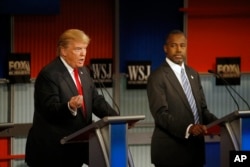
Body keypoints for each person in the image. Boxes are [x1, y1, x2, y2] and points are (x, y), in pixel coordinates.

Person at [25, 29, 118, 167]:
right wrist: (70, 106)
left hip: (76, 150)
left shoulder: (83, 71)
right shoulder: (49, 74)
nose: (83, 53)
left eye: (85, 48)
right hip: (53, 153)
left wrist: (116, 119)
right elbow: (49, 109)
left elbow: (96, 100)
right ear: (63, 50)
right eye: (78, 49)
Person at [147, 30, 218, 167]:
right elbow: (160, 114)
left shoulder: (193, 74)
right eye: (174, 45)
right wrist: (189, 128)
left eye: (182, 45)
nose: (179, 49)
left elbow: (202, 111)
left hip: (195, 151)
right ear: (165, 48)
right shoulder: (157, 77)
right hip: (170, 154)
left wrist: (221, 124)